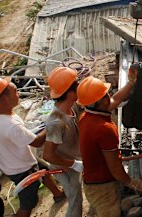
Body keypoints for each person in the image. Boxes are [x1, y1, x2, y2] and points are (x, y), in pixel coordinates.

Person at [0, 76, 65, 217]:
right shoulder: (11, 126)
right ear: (5, 98)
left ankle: (58, 194)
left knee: (44, 170)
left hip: (11, 162)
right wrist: (51, 124)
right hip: (23, 169)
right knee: (28, 203)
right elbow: (37, 142)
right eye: (15, 92)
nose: (18, 95)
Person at [77, 75, 142, 217]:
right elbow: (115, 167)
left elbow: (115, 100)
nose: (109, 96)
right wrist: (132, 182)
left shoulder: (86, 117)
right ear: (100, 102)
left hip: (91, 181)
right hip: (103, 187)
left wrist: (131, 83)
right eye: (106, 94)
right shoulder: (104, 129)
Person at [43, 67, 83, 217]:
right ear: (70, 92)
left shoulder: (73, 107)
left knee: (78, 194)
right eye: (77, 84)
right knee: (75, 200)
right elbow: (48, 155)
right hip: (65, 168)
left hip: (76, 159)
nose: (80, 86)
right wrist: (74, 164)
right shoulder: (56, 122)